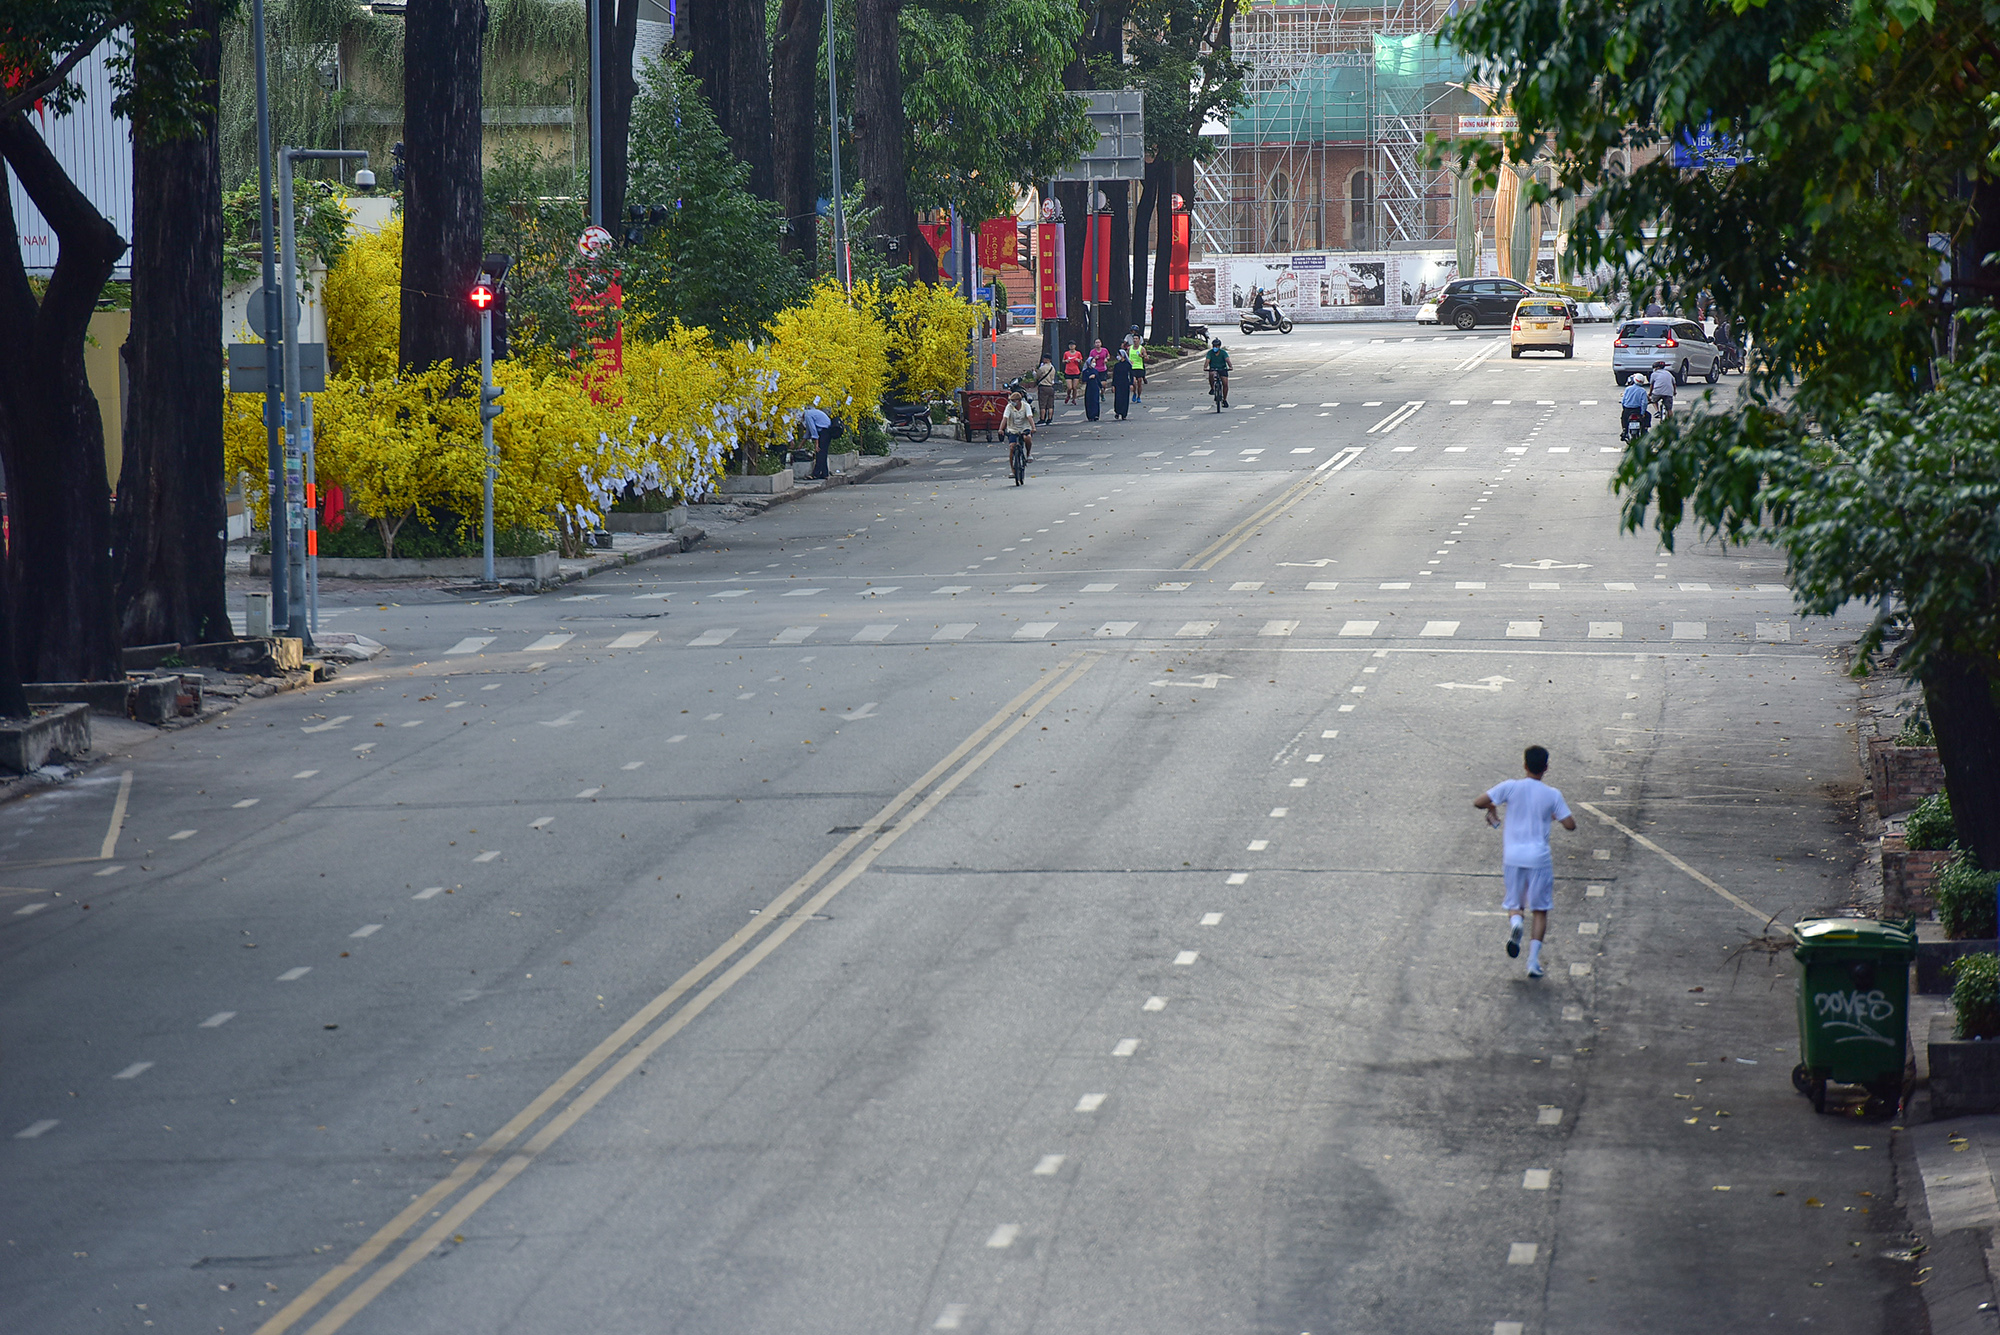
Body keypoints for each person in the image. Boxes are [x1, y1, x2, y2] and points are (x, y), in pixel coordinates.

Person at [1472, 745, 1577, 979]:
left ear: (1524, 765)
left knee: (1514, 903)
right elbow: (1570, 825)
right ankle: (1532, 961)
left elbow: (1479, 801)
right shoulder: (1552, 795)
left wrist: (1492, 806)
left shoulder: (1510, 787)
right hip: (1539, 859)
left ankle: (1516, 923)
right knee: (1540, 910)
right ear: (1546, 768)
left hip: (1513, 857)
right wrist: (1554, 815)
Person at [1001, 390, 1035, 482]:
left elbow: (1029, 417)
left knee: (1027, 438)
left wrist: (1033, 428)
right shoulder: (1009, 407)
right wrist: (1001, 429)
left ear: (1019, 401)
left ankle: (1028, 454)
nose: (1012, 402)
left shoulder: (1026, 406)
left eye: (1014, 401)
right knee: (1012, 447)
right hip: (1013, 429)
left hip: (1024, 427)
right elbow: (1005, 418)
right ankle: (1013, 470)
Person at [800, 404, 833, 479]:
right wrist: (800, 445)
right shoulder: (810, 413)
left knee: (820, 453)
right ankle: (825, 473)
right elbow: (808, 432)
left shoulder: (807, 416)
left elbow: (813, 431)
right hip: (825, 431)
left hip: (824, 431)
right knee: (823, 453)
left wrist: (816, 444)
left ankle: (816, 474)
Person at [1084, 340, 1108, 421]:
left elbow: (1098, 380)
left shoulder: (1095, 371)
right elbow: (1083, 379)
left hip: (1095, 386)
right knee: (1089, 401)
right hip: (1089, 388)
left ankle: (1096, 415)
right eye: (1092, 362)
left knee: (1095, 401)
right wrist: (1089, 377)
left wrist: (1101, 387)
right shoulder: (1086, 371)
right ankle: (1090, 415)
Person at [1619, 373, 1650, 439]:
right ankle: (1645, 430)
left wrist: (1624, 408)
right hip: (1637, 409)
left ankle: (1624, 430)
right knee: (1648, 416)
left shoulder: (1628, 389)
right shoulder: (1642, 391)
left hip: (1627, 409)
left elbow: (1623, 400)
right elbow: (1644, 403)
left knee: (1623, 418)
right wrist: (1642, 413)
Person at [1204, 337, 1231, 406]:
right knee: (1211, 374)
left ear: (1219, 346)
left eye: (1216, 346)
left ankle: (1224, 400)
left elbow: (1227, 360)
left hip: (1222, 368)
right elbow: (1207, 361)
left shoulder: (1223, 353)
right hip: (1213, 368)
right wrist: (1205, 367)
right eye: (1214, 346)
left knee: (1225, 383)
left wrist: (1230, 366)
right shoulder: (1210, 353)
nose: (1215, 348)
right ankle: (1212, 388)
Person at [1111, 337, 1133, 420]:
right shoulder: (1117, 365)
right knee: (1118, 398)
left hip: (1125, 383)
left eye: (1119, 355)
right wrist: (1113, 385)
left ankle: (1124, 413)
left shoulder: (1127, 365)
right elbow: (1114, 375)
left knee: (1125, 398)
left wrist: (1131, 384)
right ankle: (1117, 411)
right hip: (1118, 383)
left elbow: (1131, 375)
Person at [1033, 353, 1058, 424]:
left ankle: (1042, 418)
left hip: (1043, 387)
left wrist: (1034, 373)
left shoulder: (1042, 368)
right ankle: (1050, 418)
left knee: (1042, 404)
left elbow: (1037, 376)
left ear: (1046, 359)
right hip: (1050, 387)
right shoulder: (1053, 368)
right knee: (1050, 404)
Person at [1127, 339, 1145, 404]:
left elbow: (1146, 357)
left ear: (1139, 340)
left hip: (1139, 367)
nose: (1135, 340)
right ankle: (1134, 393)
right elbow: (1126, 356)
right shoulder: (1129, 348)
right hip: (1132, 367)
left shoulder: (1142, 348)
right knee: (1134, 381)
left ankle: (1139, 396)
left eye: (1136, 339)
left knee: (1139, 382)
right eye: (1134, 339)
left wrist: (1142, 356)